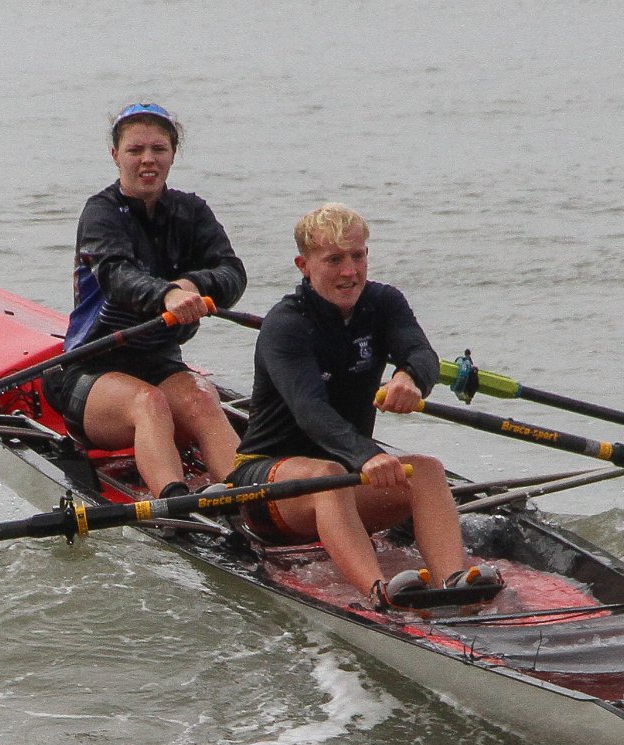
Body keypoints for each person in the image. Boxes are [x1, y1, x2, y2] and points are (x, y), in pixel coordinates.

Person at [228, 202, 501, 611]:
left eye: (357, 256)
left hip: (342, 474)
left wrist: (410, 378)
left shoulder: (384, 302)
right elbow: (310, 411)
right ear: (304, 264)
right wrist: (367, 454)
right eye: (334, 259)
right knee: (330, 474)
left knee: (426, 470)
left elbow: (422, 354)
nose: (349, 272)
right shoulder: (285, 324)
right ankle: (379, 593)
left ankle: (454, 584)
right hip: (265, 484)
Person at [41, 102, 246, 499]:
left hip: (159, 363)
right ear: (116, 155)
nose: (148, 160)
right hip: (90, 369)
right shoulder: (100, 213)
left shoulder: (192, 211)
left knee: (204, 398)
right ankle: (175, 504)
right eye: (136, 151)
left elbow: (232, 273)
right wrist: (167, 294)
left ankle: (250, 504)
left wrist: (192, 283)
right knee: (148, 402)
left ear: (172, 155)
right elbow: (117, 276)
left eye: (159, 149)